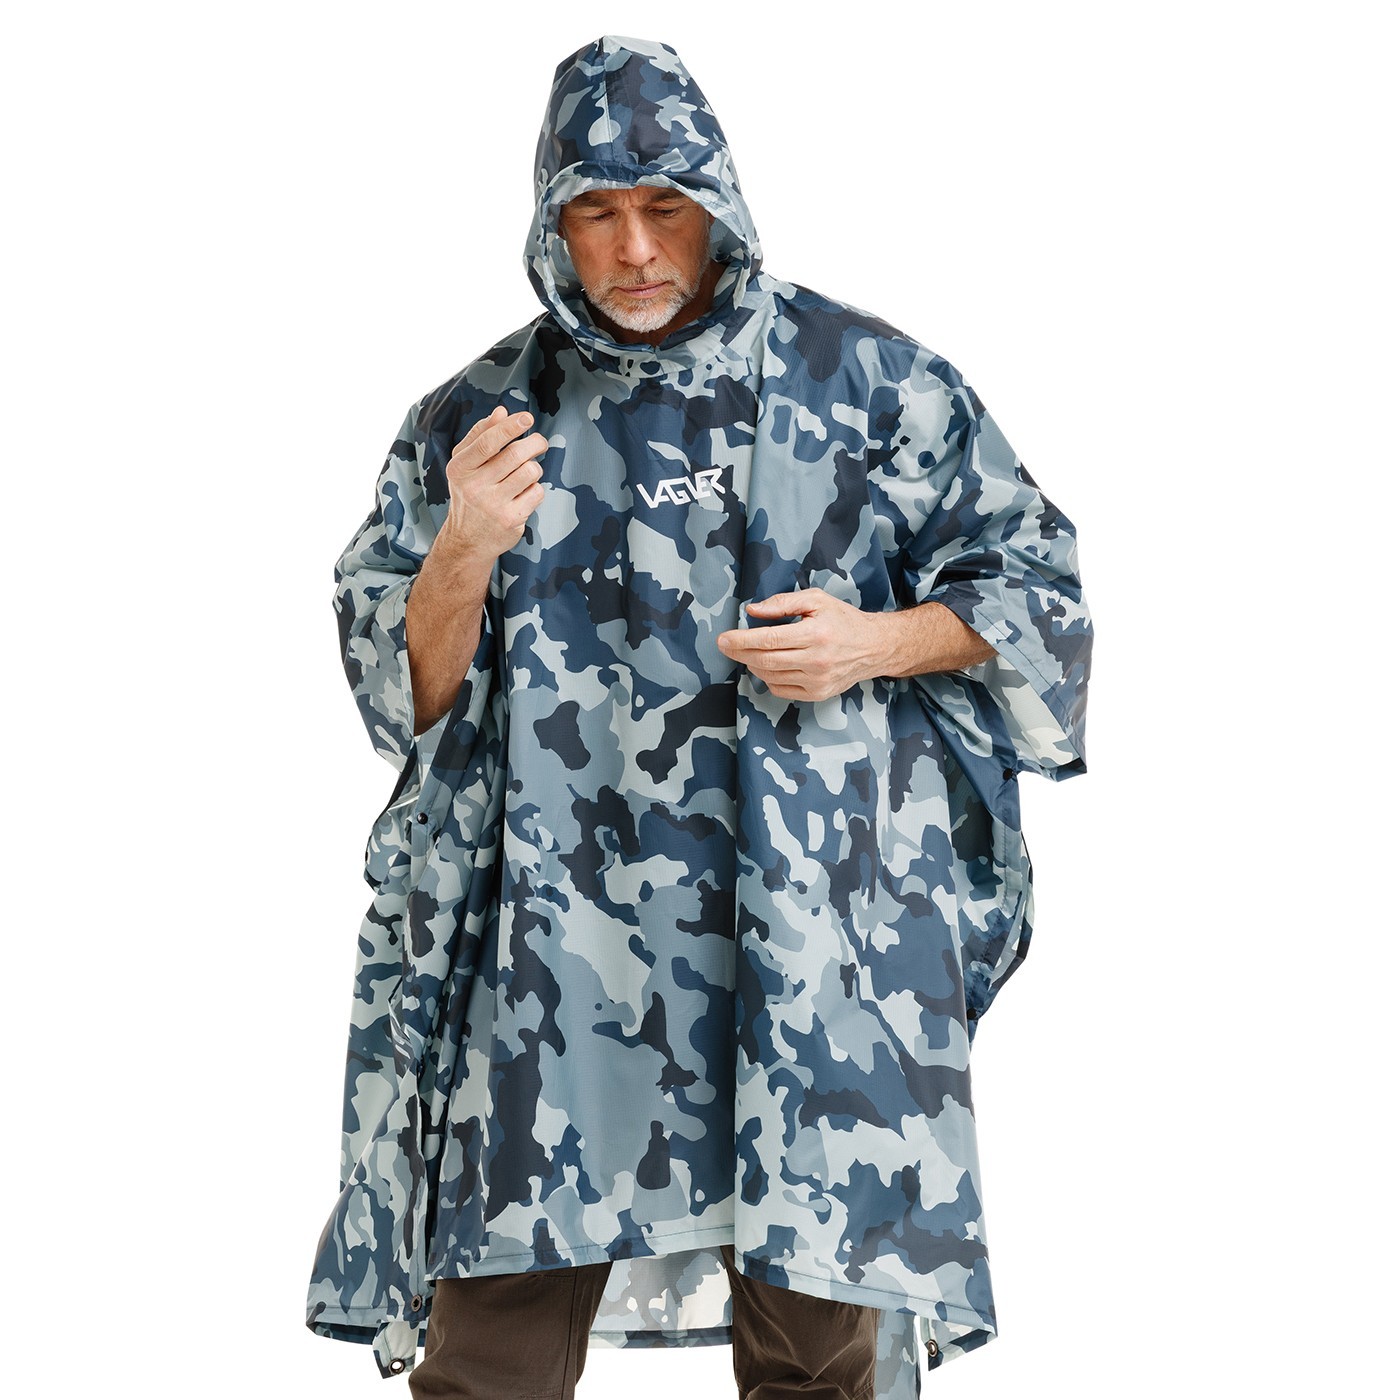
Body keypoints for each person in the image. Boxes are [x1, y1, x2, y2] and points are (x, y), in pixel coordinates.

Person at [305, 34, 1093, 1400]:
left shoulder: (867, 383)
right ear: (551, 224)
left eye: (664, 207)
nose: (634, 249)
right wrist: (463, 546)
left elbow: (1038, 593)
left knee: (821, 1363)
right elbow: (406, 702)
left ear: (718, 204)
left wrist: (873, 642)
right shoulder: (476, 419)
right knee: (487, 1362)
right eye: (596, 213)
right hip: (547, 975)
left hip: (812, 954)